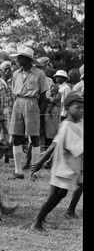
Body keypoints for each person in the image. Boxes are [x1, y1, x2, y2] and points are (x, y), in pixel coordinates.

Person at [30, 91, 83, 231]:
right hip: (62, 165)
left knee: (60, 193)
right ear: (68, 107)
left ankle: (41, 219)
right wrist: (42, 160)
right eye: (77, 107)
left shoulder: (81, 124)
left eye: (83, 107)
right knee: (55, 194)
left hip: (72, 165)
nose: (81, 110)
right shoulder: (66, 125)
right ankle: (37, 222)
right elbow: (55, 144)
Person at [8, 46, 49, 180]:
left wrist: (38, 109)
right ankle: (18, 171)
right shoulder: (15, 74)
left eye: (21, 57)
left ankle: (34, 172)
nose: (18, 60)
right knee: (16, 136)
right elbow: (14, 91)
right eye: (18, 57)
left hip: (32, 103)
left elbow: (43, 95)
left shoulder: (39, 73)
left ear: (28, 59)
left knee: (34, 136)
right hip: (18, 102)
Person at [0, 61, 15, 145]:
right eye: (5, 69)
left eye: (9, 69)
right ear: (1, 71)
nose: (8, 71)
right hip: (1, 112)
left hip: (12, 112)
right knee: (0, 137)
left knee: (12, 137)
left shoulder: (14, 82)